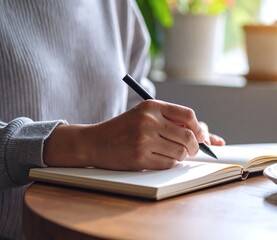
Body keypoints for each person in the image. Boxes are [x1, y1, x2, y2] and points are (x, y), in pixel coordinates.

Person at [0, 0, 225, 239]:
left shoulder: (118, 6)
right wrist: (88, 143)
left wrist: (168, 133)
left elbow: (133, 103)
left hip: (111, 227)